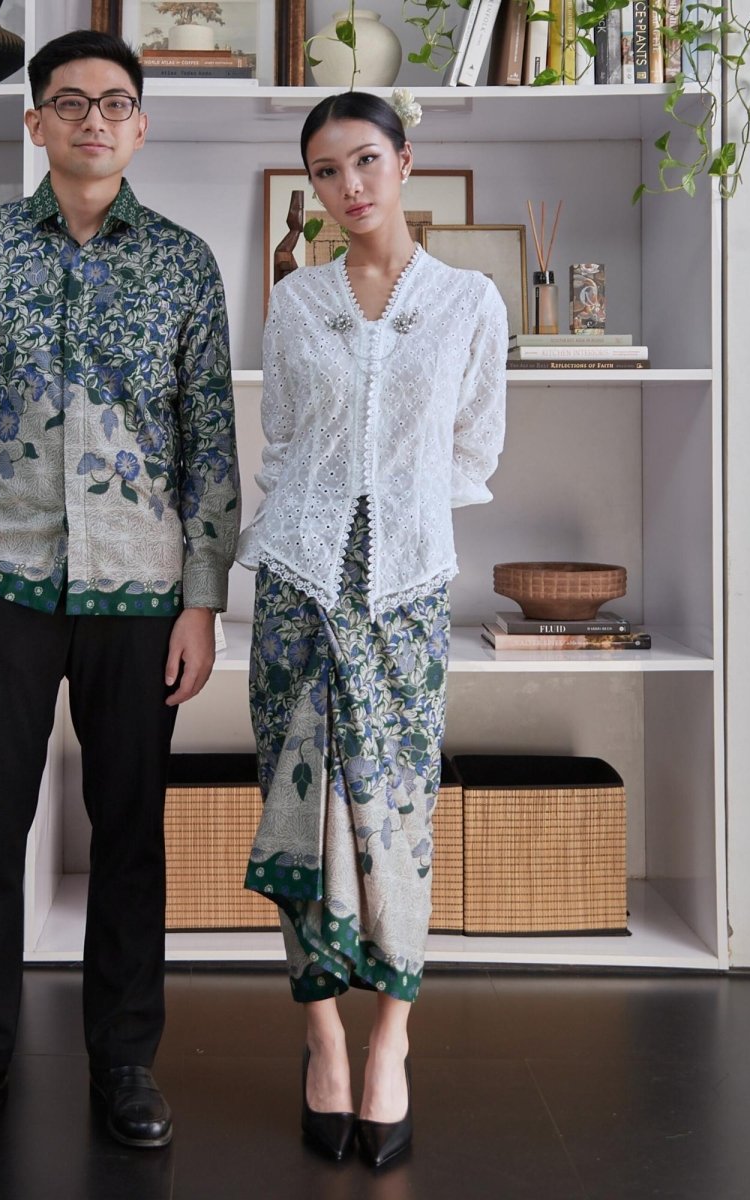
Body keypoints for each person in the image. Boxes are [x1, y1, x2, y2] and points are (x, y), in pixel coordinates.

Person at [0, 29, 239, 1154]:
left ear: (142, 125)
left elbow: (210, 442)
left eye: (115, 102)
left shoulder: (184, 264)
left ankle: (126, 1061)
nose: (95, 120)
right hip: (0, 579)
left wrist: (202, 598)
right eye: (72, 102)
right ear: (36, 120)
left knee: (130, 834)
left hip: (142, 591)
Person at [237, 89, 507, 1169]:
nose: (347, 186)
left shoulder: (470, 300)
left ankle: (390, 1040)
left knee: (399, 816)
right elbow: (281, 443)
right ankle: (322, 1041)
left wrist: (399, 509)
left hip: (405, 594)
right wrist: (330, 511)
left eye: (364, 161)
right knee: (296, 810)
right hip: (297, 585)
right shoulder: (296, 302)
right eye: (325, 171)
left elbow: (474, 448)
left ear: (404, 162)